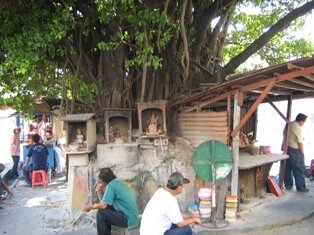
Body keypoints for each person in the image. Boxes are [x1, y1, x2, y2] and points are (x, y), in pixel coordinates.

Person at [83, 167, 139, 235]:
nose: (100, 182)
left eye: (100, 181)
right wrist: (100, 192)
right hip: (133, 218)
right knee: (104, 210)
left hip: (129, 220)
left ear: (104, 180)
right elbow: (105, 204)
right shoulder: (118, 182)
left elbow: (103, 205)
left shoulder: (111, 186)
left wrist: (90, 207)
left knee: (101, 213)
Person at [284, 113, 309, 192]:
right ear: (301, 120)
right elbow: (300, 142)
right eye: (304, 122)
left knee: (287, 167)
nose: (303, 124)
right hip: (294, 149)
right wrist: (302, 153)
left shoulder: (290, 124)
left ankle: (288, 184)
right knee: (299, 168)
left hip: (287, 148)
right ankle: (301, 187)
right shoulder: (297, 127)